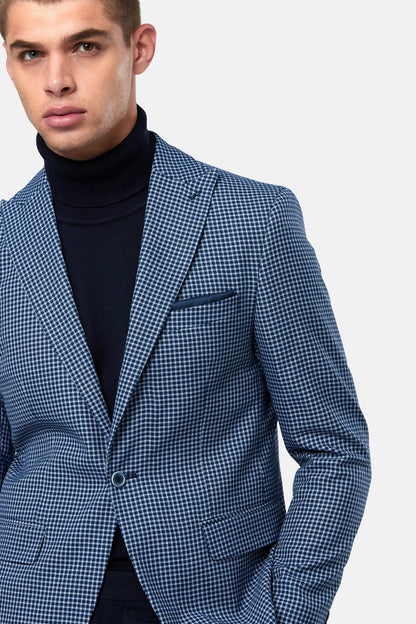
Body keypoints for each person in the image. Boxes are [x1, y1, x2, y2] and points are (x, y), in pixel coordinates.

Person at [0, 0, 371, 623]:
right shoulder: (6, 243)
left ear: (139, 48)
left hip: (215, 602)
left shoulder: (252, 223)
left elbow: (334, 449)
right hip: (33, 601)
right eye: (31, 53)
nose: (56, 80)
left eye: (86, 46)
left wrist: (281, 612)